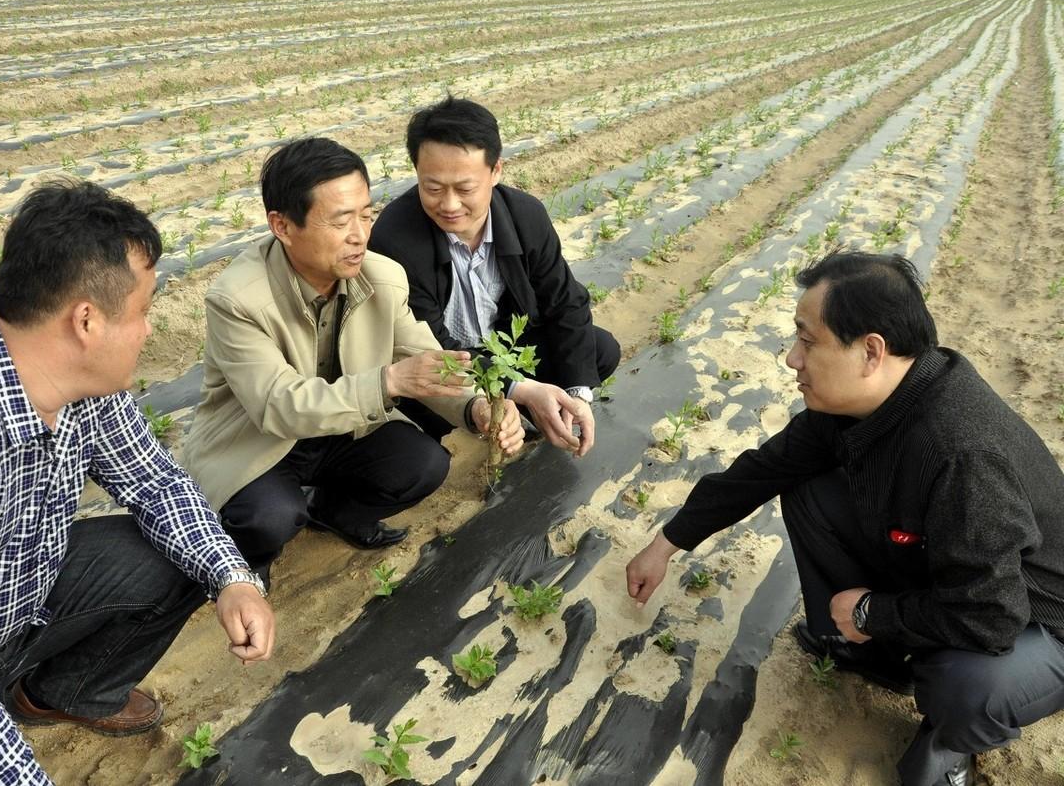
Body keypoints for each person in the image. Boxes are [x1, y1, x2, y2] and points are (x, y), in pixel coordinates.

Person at [0, 180, 275, 786]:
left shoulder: (84, 390)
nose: (147, 330)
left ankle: (60, 691)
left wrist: (233, 579)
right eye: (142, 311)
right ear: (86, 320)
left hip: (6, 612)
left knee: (175, 553)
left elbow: (158, 484)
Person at [624, 251, 1064, 786]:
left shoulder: (960, 452)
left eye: (808, 342)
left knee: (965, 688)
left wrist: (872, 612)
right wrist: (666, 543)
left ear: (871, 351)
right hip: (963, 573)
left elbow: (991, 618)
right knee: (807, 489)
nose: (792, 359)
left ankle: (950, 749)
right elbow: (763, 470)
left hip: (1039, 618)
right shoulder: (864, 403)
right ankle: (877, 659)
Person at [182, 137, 522, 586]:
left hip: (343, 425)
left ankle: (336, 513)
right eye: (341, 221)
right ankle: (247, 562)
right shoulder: (238, 299)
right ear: (282, 226)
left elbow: (424, 357)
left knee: (422, 463)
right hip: (259, 441)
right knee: (269, 517)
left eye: (366, 214)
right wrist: (388, 382)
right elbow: (278, 407)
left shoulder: (382, 276)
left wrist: (476, 406)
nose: (360, 235)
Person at [369, 96, 619, 458]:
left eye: (465, 188)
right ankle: (484, 418)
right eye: (433, 188)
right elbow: (430, 344)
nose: (449, 205)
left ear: (496, 171)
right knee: (424, 420)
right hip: (443, 366)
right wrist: (518, 388)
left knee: (598, 350)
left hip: (506, 350)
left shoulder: (525, 216)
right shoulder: (396, 238)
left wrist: (576, 394)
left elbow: (566, 301)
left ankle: (537, 412)